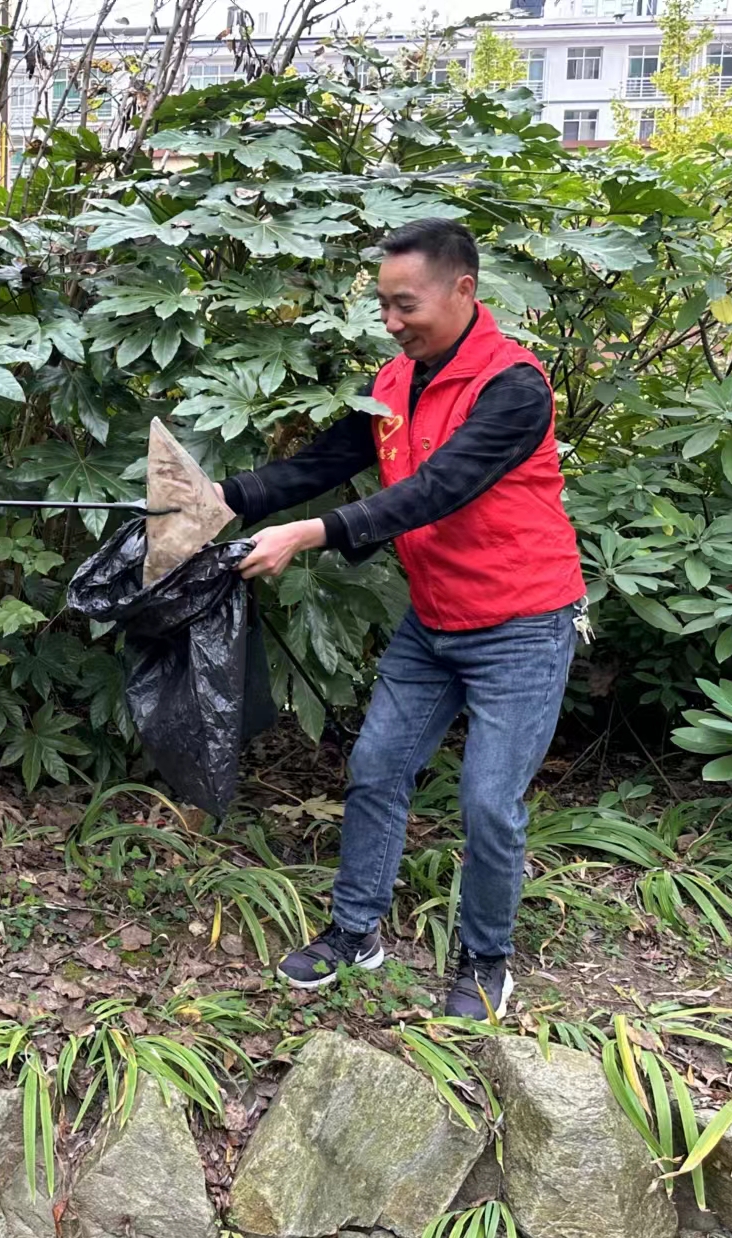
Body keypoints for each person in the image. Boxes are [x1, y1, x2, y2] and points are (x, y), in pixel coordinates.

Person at [216, 218, 586, 1019]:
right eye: (382, 306)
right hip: (434, 621)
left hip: (521, 624)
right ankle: (356, 934)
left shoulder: (513, 388)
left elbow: (439, 489)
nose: (391, 323)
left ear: (463, 289)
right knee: (377, 768)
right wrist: (224, 498)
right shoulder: (391, 384)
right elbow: (320, 464)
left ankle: (486, 961)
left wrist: (313, 532)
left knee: (489, 801)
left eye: (404, 305)